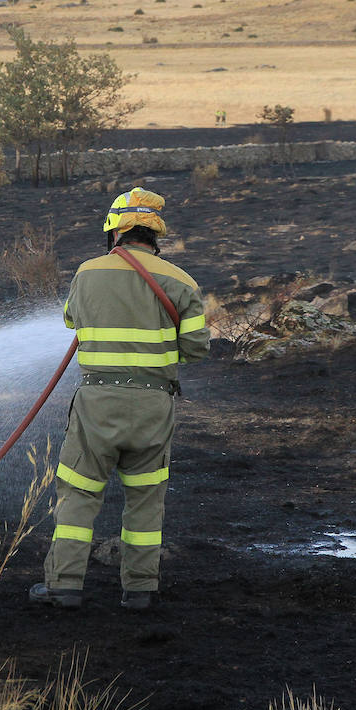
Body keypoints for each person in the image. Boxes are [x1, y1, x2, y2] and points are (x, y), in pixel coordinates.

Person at [30, 187, 210, 611]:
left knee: (78, 493)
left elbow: (72, 319)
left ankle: (65, 586)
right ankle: (140, 591)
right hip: (153, 406)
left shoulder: (87, 272)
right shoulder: (182, 281)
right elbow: (197, 348)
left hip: (97, 404)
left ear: (114, 232)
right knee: (146, 500)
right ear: (154, 235)